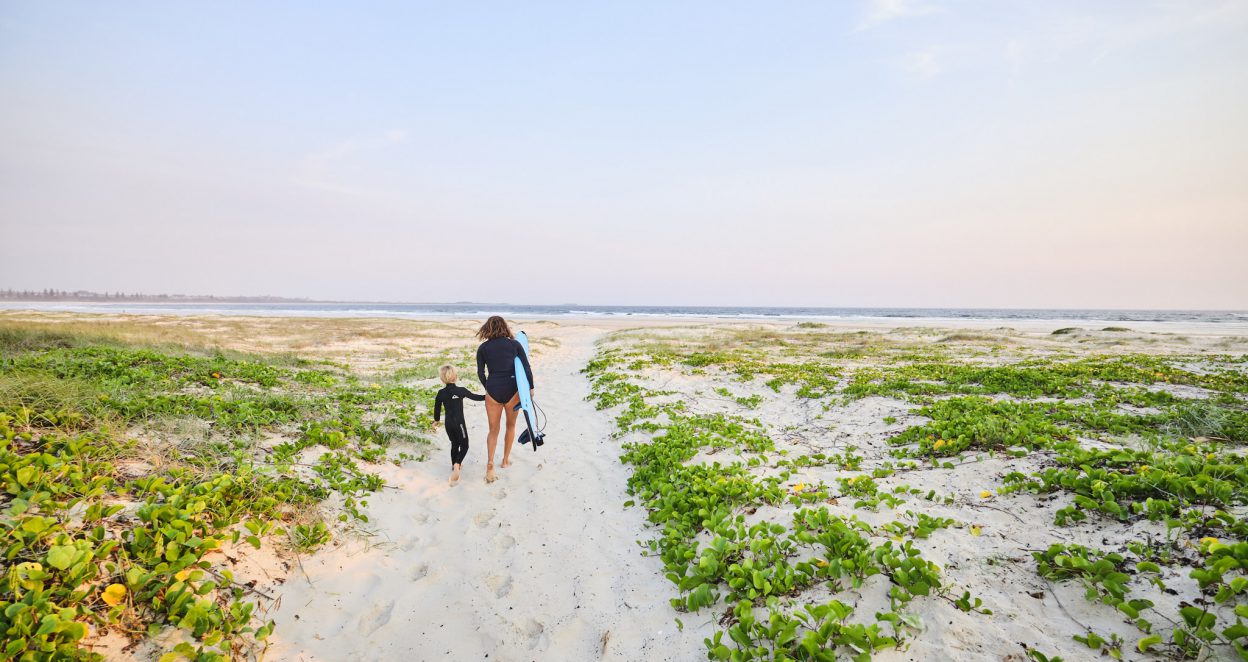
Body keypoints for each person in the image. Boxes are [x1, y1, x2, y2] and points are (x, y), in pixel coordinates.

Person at [475, 316, 533, 483]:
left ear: (487, 328)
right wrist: (530, 387)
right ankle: (505, 461)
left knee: (493, 430)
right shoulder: (514, 344)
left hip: (493, 390)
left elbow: (480, 373)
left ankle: (490, 462)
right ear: (505, 327)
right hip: (512, 390)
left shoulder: (483, 348)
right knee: (510, 425)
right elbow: (526, 367)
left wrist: (488, 387)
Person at [432, 364, 485, 485]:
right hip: (459, 424)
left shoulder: (440, 393)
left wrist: (436, 421)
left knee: (454, 444)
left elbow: (437, 409)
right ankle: (457, 463)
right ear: (455, 377)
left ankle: (453, 466)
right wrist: (488, 397)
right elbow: (476, 397)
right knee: (465, 445)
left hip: (448, 424)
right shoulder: (461, 391)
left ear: (442, 379)